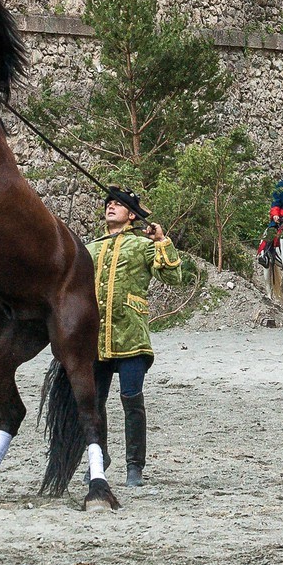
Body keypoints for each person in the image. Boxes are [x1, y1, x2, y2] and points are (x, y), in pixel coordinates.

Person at [86, 187, 183, 488]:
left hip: (131, 336)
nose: (111, 207)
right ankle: (99, 460)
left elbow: (173, 277)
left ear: (131, 215)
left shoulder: (142, 246)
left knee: (132, 401)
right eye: (109, 204)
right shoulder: (90, 249)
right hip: (96, 339)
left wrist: (161, 241)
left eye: (118, 205)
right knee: (94, 402)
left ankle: (134, 467)